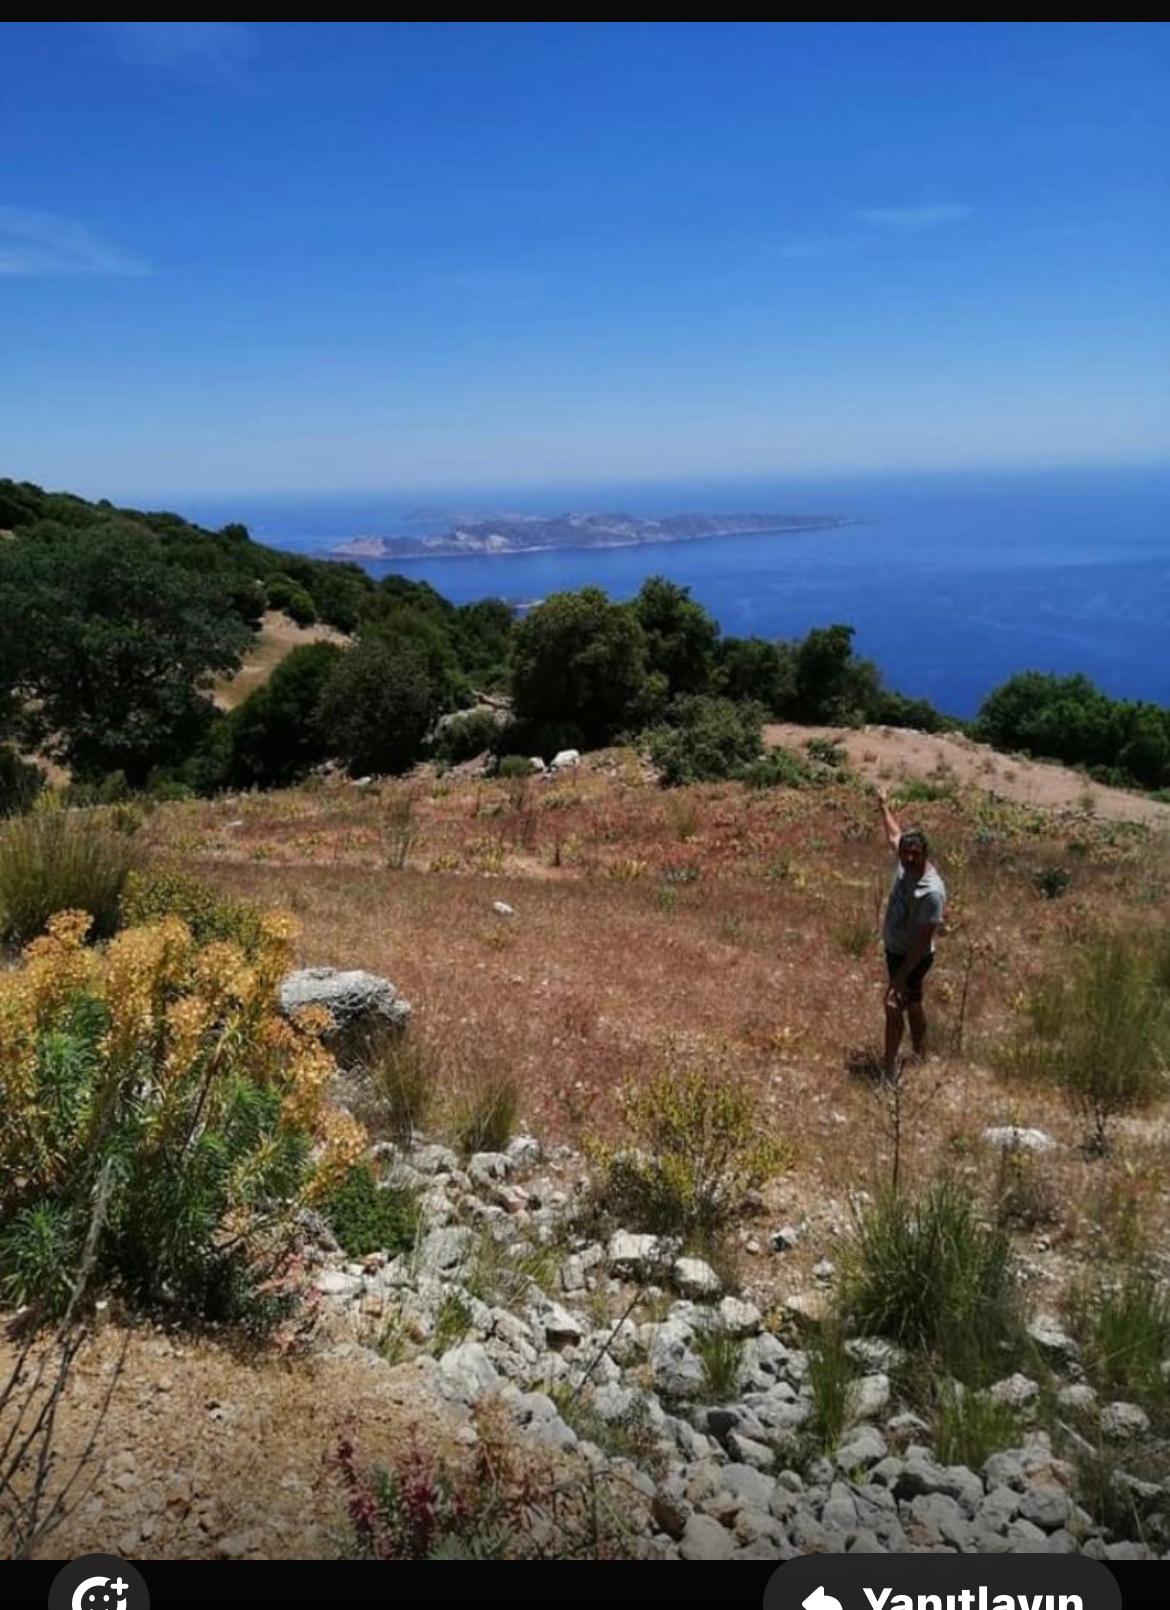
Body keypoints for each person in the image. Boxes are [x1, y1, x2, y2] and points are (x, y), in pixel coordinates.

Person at [875, 786, 946, 1078]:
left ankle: (889, 1068)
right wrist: (883, 805)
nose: (906, 859)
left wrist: (900, 977)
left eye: (913, 855)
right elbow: (894, 834)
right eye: (904, 854)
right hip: (896, 949)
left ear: (924, 853)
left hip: (911, 957)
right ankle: (920, 1052)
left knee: (894, 1005)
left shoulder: (931, 892)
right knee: (913, 1004)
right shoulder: (905, 863)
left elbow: (922, 942)